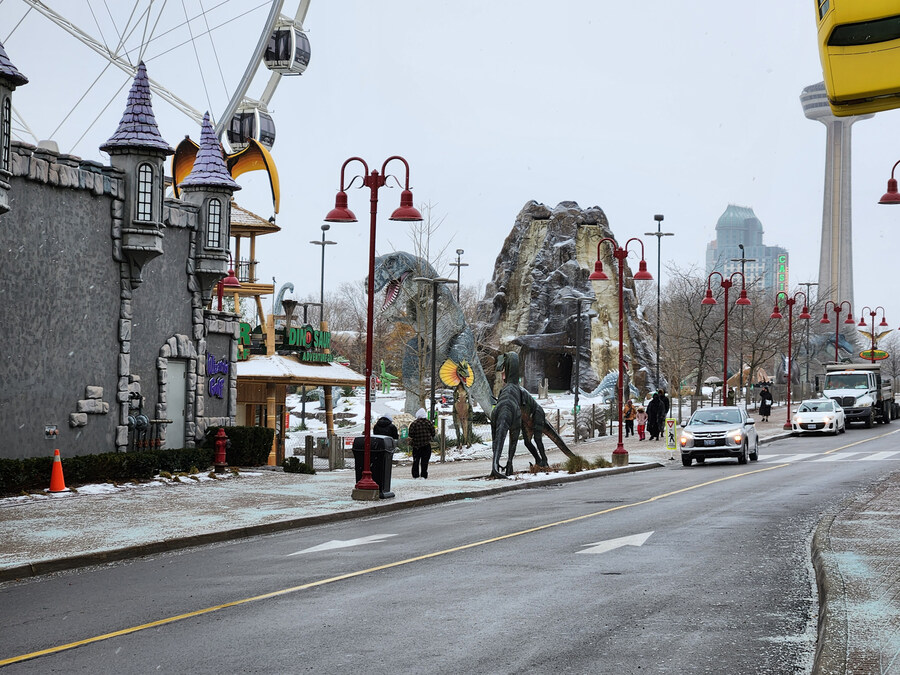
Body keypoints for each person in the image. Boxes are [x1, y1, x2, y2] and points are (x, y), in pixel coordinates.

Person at [408, 408, 435, 478]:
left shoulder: (414, 424)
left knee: (416, 461)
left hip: (416, 446)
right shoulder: (429, 422)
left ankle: (415, 475)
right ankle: (424, 475)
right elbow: (433, 433)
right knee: (425, 461)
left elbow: (411, 434)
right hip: (426, 445)